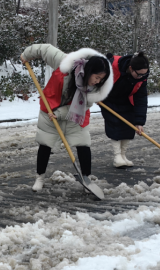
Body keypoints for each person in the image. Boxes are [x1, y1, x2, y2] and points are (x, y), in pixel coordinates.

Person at [20, 45, 113, 192]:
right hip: (50, 109)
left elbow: (84, 106)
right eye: (97, 77)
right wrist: (26, 55)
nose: (98, 82)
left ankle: (86, 178)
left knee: (83, 145)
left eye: (101, 79)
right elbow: (45, 49)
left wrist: (61, 113)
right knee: (45, 144)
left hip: (76, 114)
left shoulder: (95, 90)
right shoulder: (67, 63)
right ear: (89, 71)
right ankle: (40, 178)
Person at [102, 52, 150, 168]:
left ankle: (123, 155)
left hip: (127, 100)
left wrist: (139, 122)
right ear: (130, 68)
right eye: (139, 74)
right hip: (108, 99)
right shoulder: (112, 67)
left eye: (144, 74)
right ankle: (117, 156)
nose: (141, 77)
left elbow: (141, 98)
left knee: (129, 125)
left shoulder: (142, 77)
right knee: (115, 125)